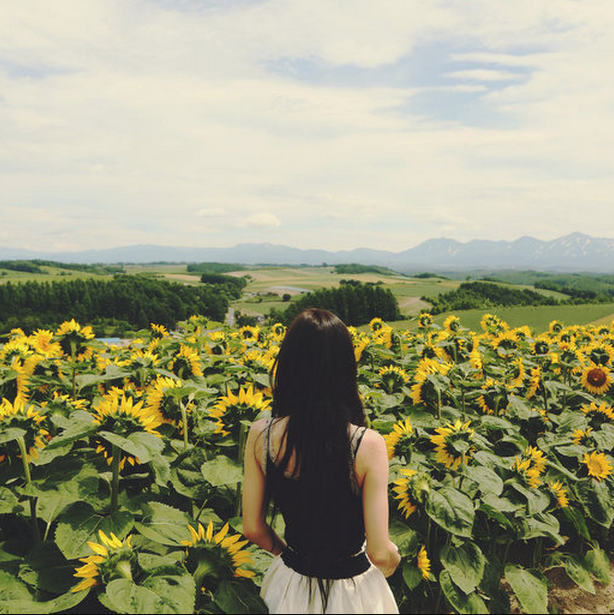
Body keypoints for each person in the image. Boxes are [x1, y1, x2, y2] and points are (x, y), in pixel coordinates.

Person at [242, 308, 400, 614]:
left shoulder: (260, 436)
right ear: (345, 369)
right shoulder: (366, 445)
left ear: (288, 364)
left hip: (288, 586)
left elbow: (252, 527)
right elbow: (380, 553)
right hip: (352, 593)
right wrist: (394, 558)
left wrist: (294, 557)